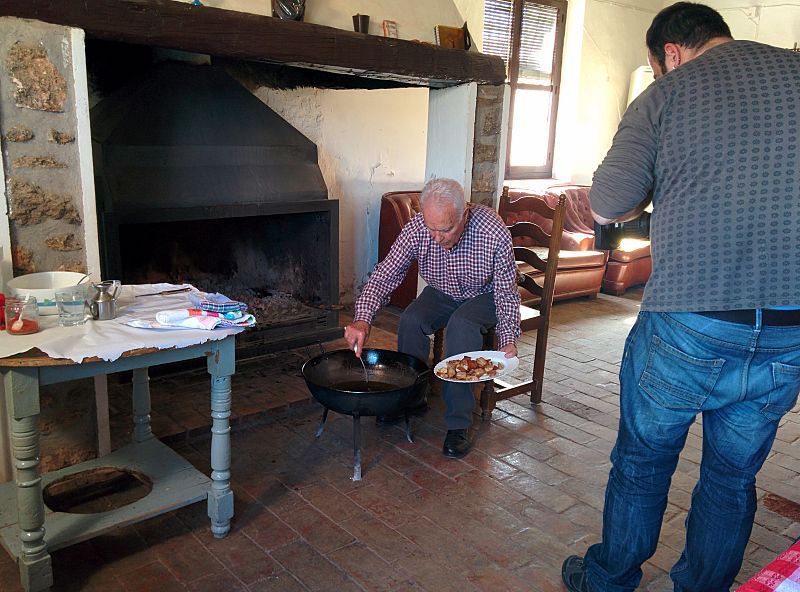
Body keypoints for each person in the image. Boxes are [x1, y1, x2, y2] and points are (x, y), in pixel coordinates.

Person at [562, 3, 800, 591]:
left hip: (691, 317)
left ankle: (610, 580)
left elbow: (607, 203)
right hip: (790, 327)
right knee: (732, 477)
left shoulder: (668, 93)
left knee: (643, 461)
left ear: (670, 53)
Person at [344, 178, 520, 458]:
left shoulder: (491, 229)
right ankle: (411, 398)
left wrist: (508, 337)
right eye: (431, 228)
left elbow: (506, 291)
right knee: (411, 320)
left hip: (485, 294)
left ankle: (459, 423)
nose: (436, 237)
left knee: (461, 325)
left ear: (464, 215)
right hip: (442, 291)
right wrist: (362, 319)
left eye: (445, 229)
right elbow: (386, 273)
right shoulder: (417, 228)